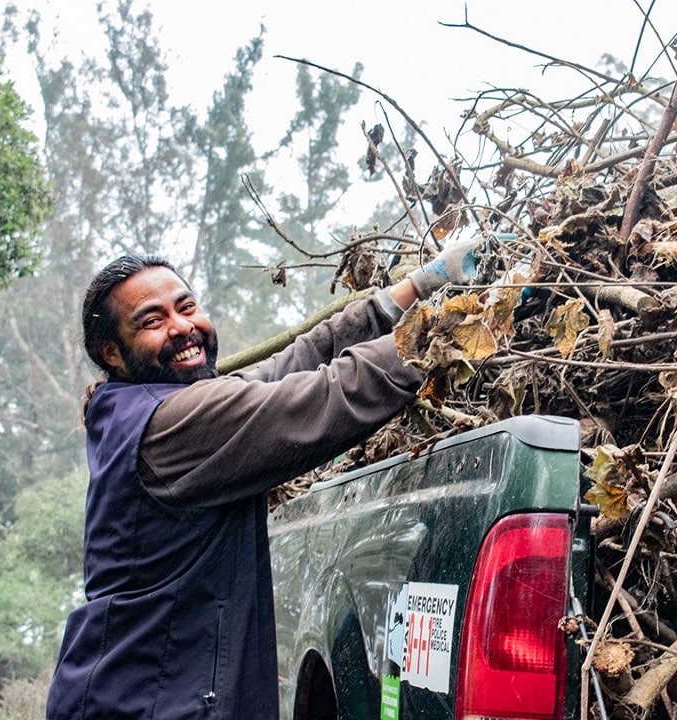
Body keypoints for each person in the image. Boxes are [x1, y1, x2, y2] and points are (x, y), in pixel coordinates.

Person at [46, 240, 482, 719]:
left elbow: (284, 370)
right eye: (152, 321)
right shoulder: (169, 425)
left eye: (186, 306)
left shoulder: (138, 407)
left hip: (140, 694)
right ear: (111, 352)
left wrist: (416, 288)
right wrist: (462, 321)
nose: (182, 327)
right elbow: (324, 396)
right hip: (147, 704)